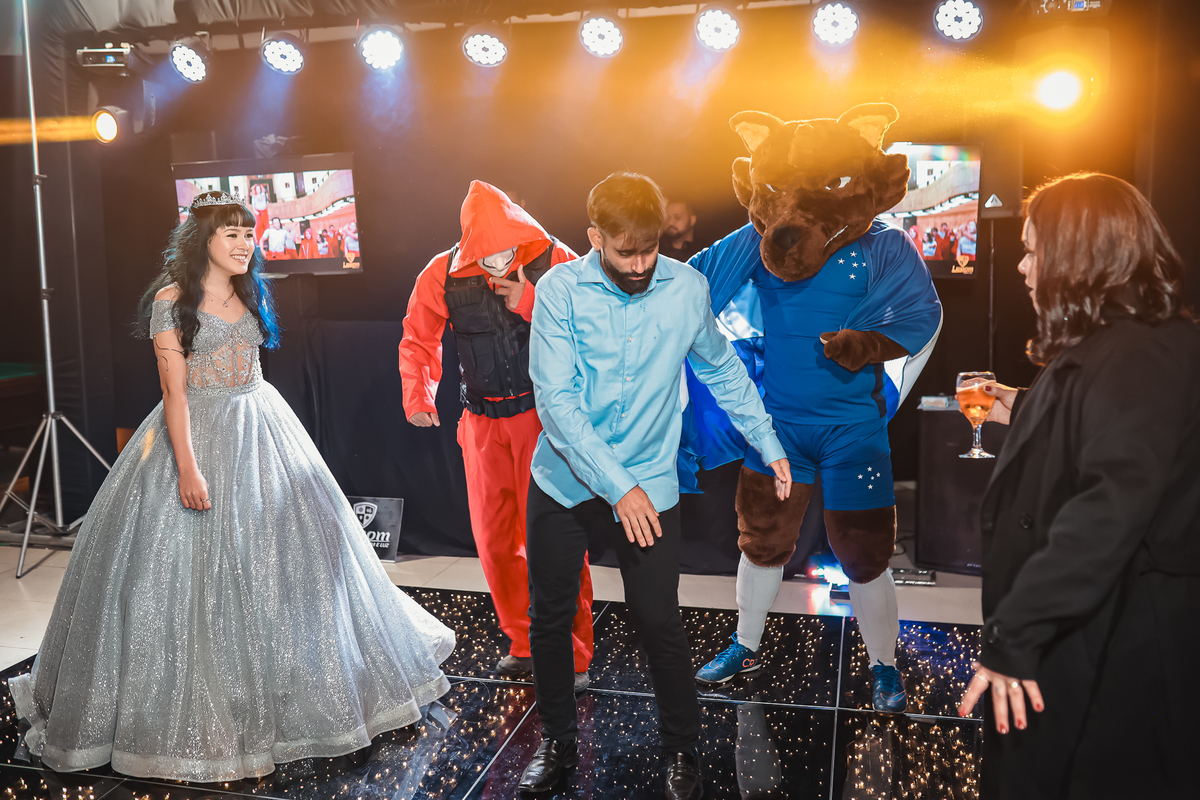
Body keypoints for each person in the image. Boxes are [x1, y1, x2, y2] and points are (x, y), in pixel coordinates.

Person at [5, 191, 455, 782]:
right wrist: (188, 468)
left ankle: (301, 692)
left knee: (289, 563)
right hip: (200, 432)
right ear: (204, 241)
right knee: (187, 572)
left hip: (262, 426)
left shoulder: (251, 291)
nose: (244, 244)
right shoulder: (172, 302)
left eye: (248, 234)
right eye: (231, 234)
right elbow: (175, 394)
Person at [517, 172, 791, 800]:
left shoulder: (687, 288)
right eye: (625, 252)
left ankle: (681, 749)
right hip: (563, 481)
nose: (640, 265)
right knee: (550, 618)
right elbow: (556, 403)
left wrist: (768, 440)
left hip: (650, 481)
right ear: (595, 238)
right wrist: (618, 487)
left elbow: (722, 370)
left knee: (660, 620)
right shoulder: (559, 290)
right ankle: (557, 742)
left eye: (650, 249)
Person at [956, 173, 1200, 799]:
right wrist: (1023, 404)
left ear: (1077, 255)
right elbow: (1100, 422)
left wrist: (1018, 633)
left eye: (1033, 250)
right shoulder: (1122, 343)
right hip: (1097, 632)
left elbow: (1108, 507)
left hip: (1120, 645)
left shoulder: (1143, 352)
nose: (1022, 266)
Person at [398, 181, 595, 690]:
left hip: (543, 419)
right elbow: (418, 338)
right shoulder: (442, 272)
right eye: (484, 253)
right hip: (481, 423)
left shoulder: (555, 259)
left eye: (504, 249)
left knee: (555, 537)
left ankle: (573, 653)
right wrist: (418, 397)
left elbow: (592, 323)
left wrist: (529, 299)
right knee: (495, 541)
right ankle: (524, 642)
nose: (495, 260)